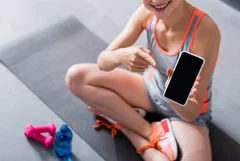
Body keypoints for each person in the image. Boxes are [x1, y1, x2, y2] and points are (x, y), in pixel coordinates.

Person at [64, 0, 220, 160]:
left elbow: (190, 113)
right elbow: (103, 62)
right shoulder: (146, 13)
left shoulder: (204, 31)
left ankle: (131, 131)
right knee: (76, 77)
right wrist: (119, 56)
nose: (157, 1)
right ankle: (151, 132)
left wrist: (174, 95)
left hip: (183, 112)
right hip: (150, 89)